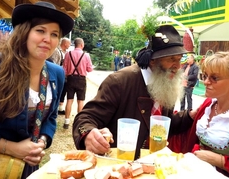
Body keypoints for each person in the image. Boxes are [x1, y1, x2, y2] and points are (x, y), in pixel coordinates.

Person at [0, 1, 74, 179]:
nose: (48, 39)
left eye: (54, 34)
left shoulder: (57, 74)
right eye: (40, 30)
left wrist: (42, 141)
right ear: (24, 32)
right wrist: (11, 148)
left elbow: (51, 118)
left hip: (28, 170)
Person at [72, 25, 197, 160]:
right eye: (172, 59)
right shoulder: (119, 82)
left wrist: (190, 115)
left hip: (152, 167)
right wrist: (89, 134)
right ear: (153, 60)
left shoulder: (166, 84)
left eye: (179, 59)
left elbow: (162, 125)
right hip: (120, 165)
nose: (177, 66)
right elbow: (84, 118)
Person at [62, 37, 93, 129]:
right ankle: (79, 123)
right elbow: (89, 69)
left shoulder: (68, 54)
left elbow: (64, 69)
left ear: (74, 44)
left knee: (69, 100)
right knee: (80, 101)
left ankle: (66, 122)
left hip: (70, 79)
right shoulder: (86, 55)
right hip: (81, 80)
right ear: (82, 45)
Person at [48, 37, 71, 115]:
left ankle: (59, 108)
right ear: (65, 44)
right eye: (69, 43)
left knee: (63, 91)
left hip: (62, 75)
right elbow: (53, 64)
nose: (70, 45)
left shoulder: (66, 52)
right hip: (56, 75)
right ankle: (53, 109)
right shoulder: (56, 51)